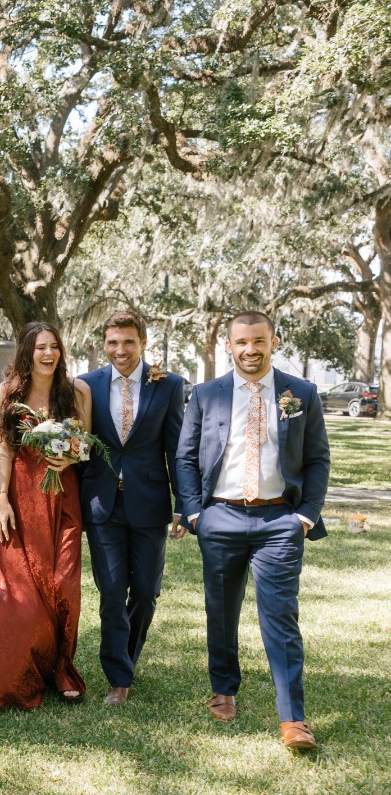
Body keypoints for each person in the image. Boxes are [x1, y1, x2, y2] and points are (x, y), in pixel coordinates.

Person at [174, 311, 329, 751]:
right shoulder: (206, 394)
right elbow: (185, 458)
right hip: (220, 517)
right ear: (229, 345)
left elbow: (318, 458)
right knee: (220, 610)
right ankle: (223, 690)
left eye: (258, 341)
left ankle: (293, 719)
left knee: (281, 617)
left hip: (279, 521)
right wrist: (196, 514)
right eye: (241, 342)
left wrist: (305, 515)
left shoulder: (300, 393)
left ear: (273, 341)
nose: (250, 350)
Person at [0, 322, 90, 707]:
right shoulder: (7, 393)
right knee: (14, 592)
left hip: (63, 499)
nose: (48, 354)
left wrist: (70, 454)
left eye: (54, 347)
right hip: (20, 498)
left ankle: (61, 667)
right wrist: (2, 499)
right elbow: (3, 450)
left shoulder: (77, 391)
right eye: (40, 347)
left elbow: (86, 444)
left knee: (63, 585)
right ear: (27, 353)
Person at [77, 312, 186, 706]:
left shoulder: (169, 385)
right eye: (112, 343)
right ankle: (118, 677)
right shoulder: (86, 385)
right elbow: (80, 444)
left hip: (151, 503)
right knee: (110, 592)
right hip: (101, 503)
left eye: (128, 342)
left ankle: (129, 656)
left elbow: (176, 448)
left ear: (142, 342)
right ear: (103, 344)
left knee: (145, 591)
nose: (120, 350)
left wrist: (184, 504)